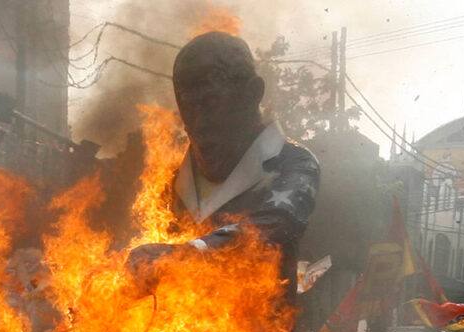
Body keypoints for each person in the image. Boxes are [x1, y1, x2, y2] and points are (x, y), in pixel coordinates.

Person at [125, 30, 319, 294]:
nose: (198, 122)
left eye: (211, 102)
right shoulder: (173, 179)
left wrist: (185, 254)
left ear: (253, 94)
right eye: (187, 105)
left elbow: (273, 231)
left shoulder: (292, 163)